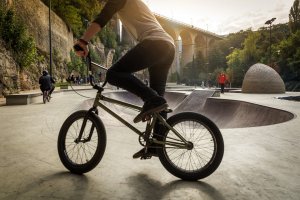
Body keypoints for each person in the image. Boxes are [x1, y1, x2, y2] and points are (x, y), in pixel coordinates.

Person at [74, 0, 175, 159]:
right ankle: (156, 145)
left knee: (113, 74)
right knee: (157, 99)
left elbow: (102, 18)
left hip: (155, 43)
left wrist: (83, 41)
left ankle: (152, 100)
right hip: (168, 47)